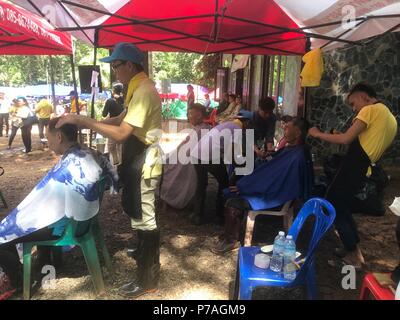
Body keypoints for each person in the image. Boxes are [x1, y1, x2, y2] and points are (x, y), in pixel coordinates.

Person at [57, 42, 162, 299]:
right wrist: (97, 123)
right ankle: (141, 253)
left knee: (145, 218)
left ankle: (147, 279)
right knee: (136, 211)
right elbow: (121, 120)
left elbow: (123, 133)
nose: (114, 72)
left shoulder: (144, 92)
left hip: (145, 160)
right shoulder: (136, 89)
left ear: (129, 65)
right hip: (137, 158)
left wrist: (84, 121)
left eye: (116, 66)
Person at [0, 117, 116, 293]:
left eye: (48, 137)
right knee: (29, 217)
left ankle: (19, 280)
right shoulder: (87, 153)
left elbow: (43, 204)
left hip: (64, 225)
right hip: (81, 220)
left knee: (3, 236)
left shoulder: (69, 165)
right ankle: (44, 262)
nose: (47, 142)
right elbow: (111, 179)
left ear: (59, 136)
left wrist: (19, 217)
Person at [308, 82, 397, 268]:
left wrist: (318, 134)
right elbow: (363, 141)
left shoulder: (369, 110)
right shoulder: (389, 117)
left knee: (336, 207)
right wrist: (341, 134)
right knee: (344, 207)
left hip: (354, 168)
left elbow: (346, 139)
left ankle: (354, 257)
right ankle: (352, 249)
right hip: (363, 168)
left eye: (353, 103)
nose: (354, 109)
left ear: (364, 96)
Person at [211, 117, 313, 254]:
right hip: (272, 189)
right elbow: (271, 172)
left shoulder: (298, 156)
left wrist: (247, 187)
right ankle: (230, 233)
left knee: (233, 203)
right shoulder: (293, 150)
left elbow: (277, 182)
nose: (284, 130)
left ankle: (231, 241)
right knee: (231, 189)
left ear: (298, 132)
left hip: (276, 196)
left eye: (287, 127)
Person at [189, 112, 253, 225]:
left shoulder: (226, 124)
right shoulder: (238, 129)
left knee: (201, 184)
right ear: (246, 122)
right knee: (224, 183)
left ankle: (197, 215)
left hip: (196, 153)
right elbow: (232, 151)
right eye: (249, 124)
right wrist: (238, 165)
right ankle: (220, 215)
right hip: (210, 156)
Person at [160, 103, 210, 210]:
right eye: (188, 114)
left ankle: (168, 196)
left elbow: (189, 148)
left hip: (189, 162)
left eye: (191, 114)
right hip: (185, 157)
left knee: (167, 166)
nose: (189, 116)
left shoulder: (202, 130)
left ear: (200, 115)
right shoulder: (199, 128)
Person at [102, 82, 125, 166]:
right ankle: (121, 163)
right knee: (120, 146)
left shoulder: (110, 101)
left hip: (113, 126)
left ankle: (116, 162)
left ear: (113, 91)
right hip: (123, 126)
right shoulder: (124, 100)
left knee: (111, 146)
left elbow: (104, 114)